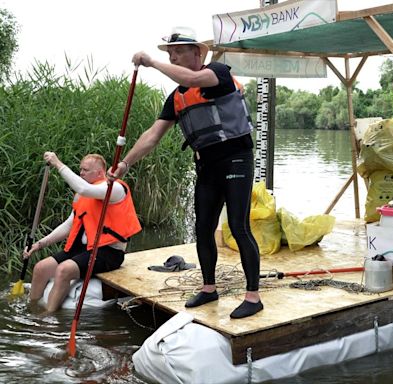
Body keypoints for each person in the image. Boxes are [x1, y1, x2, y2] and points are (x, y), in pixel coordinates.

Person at [110, 28, 263, 319]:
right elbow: (152, 136)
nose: (172, 56)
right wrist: (125, 165)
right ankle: (208, 288)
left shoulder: (216, 72)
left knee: (238, 226)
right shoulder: (176, 98)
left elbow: (193, 79)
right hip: (207, 167)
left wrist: (153, 62)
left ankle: (253, 297)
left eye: (177, 51)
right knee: (202, 228)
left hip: (236, 161)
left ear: (197, 53)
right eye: (169, 53)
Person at [24, 152, 141, 312]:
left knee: (64, 270)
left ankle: (47, 316)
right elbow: (69, 226)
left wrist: (58, 163)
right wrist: (40, 244)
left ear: (100, 172)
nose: (81, 173)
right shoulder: (82, 196)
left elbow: (83, 188)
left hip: (107, 252)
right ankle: (31, 308)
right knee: (41, 267)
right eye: (80, 169)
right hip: (83, 250)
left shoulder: (114, 188)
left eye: (85, 170)